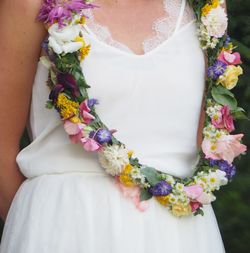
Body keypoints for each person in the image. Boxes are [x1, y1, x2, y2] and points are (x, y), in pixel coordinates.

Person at [0, 0, 226, 252]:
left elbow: (201, 142)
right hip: (65, 228)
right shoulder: (30, 5)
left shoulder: (207, 8)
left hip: (179, 234)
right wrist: (42, 225)